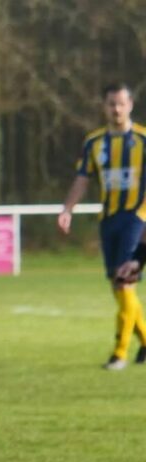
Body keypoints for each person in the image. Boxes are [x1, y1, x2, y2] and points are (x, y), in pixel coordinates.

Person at [58, 82, 146, 370]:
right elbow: (83, 179)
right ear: (104, 107)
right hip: (109, 219)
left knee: (124, 282)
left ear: (130, 105)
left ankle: (119, 353)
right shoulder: (94, 143)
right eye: (111, 104)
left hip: (137, 218)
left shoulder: (144, 140)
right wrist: (68, 208)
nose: (116, 109)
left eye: (121, 103)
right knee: (118, 286)